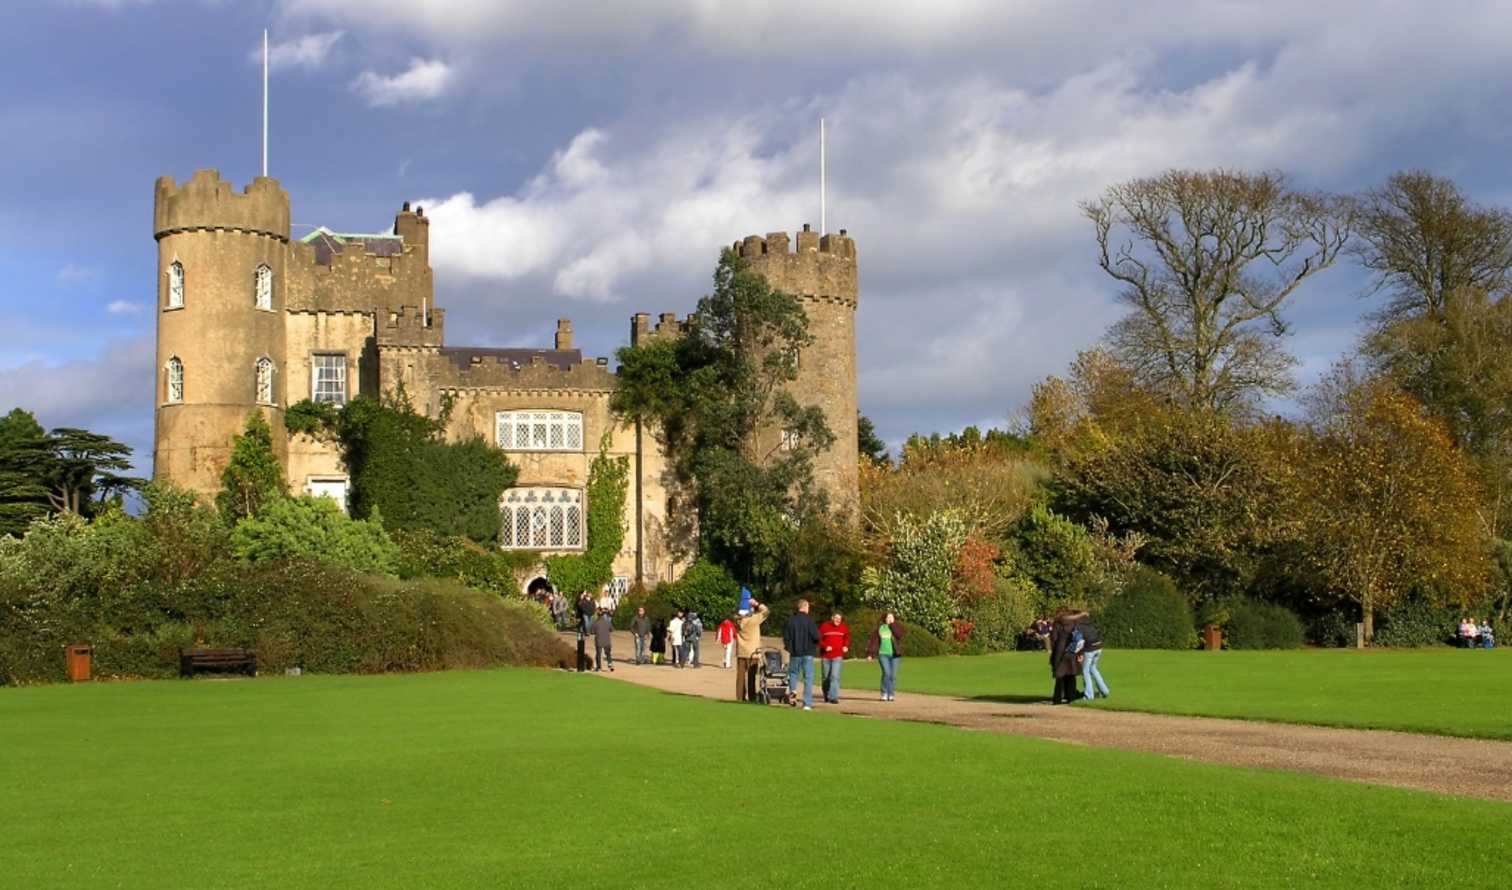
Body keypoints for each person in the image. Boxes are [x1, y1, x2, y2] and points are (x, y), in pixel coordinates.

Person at [784, 600, 821, 710]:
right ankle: (807, 703)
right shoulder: (810, 621)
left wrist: (790, 648)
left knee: (793, 674)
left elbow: (786, 637)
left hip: (795, 652)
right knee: (808, 677)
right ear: (804, 607)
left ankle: (793, 692)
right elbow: (817, 636)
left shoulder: (791, 620)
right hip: (808, 653)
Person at [865, 612, 906, 701]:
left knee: (893, 675)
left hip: (895, 655)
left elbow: (899, 635)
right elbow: (873, 642)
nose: (890, 619)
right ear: (885, 619)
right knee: (887, 673)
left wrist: (893, 624)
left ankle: (891, 694)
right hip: (883, 654)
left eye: (892, 617)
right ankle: (884, 693)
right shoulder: (880, 628)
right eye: (888, 617)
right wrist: (870, 654)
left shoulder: (896, 627)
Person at [735, 599, 769, 701]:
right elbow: (766, 611)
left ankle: (740, 697)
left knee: (740, 677)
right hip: (753, 652)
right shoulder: (753, 619)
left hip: (741, 651)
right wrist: (756, 604)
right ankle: (751, 697)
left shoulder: (738, 620)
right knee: (751, 676)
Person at [819, 611, 851, 704]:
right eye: (836, 618)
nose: (838, 620)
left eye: (840, 619)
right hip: (826, 656)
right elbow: (818, 639)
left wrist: (846, 646)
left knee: (835, 676)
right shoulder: (824, 626)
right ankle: (826, 694)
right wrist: (825, 647)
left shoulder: (843, 627)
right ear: (832, 618)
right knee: (826, 677)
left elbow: (847, 638)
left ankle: (833, 697)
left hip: (838, 655)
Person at [1049, 611, 1081, 704]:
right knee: (1071, 675)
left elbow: (1054, 639)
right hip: (1072, 649)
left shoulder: (1057, 624)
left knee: (1060, 676)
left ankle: (1057, 698)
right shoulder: (1074, 623)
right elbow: (1079, 638)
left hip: (1060, 650)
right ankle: (1071, 697)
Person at [1075, 613, 1109, 700]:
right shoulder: (1090, 624)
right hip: (1099, 647)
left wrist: (1079, 653)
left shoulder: (1079, 626)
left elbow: (1080, 641)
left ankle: (1089, 695)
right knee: (1093, 668)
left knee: (1085, 671)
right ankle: (1105, 691)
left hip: (1090, 648)